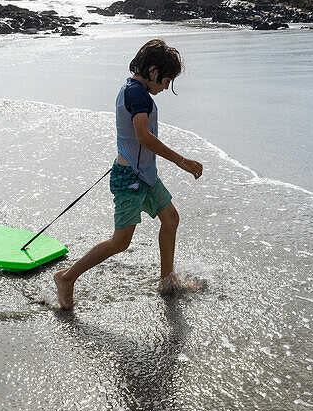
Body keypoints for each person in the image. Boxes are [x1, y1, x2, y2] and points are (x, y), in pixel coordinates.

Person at [53, 39, 203, 310]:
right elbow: (143, 137)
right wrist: (181, 160)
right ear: (154, 72)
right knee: (120, 242)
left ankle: (167, 279)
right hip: (130, 179)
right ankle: (66, 277)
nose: (166, 87)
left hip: (145, 175)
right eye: (166, 80)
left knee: (170, 219)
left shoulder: (136, 90)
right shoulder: (137, 94)